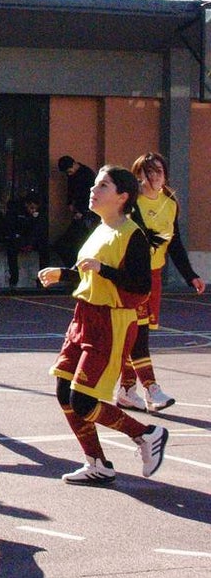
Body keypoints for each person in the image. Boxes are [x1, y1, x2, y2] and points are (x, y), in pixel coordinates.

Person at [38, 165, 168, 485]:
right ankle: (97, 462)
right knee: (64, 390)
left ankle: (147, 434)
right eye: (95, 185)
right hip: (83, 316)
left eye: (103, 186)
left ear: (122, 197)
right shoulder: (100, 228)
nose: (93, 191)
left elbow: (140, 288)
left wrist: (103, 270)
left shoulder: (131, 235)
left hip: (111, 320)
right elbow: (89, 272)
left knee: (83, 400)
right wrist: (63, 274)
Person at [115, 152, 205, 413]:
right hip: (131, 276)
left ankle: (126, 390)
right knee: (137, 334)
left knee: (138, 334)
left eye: (158, 171)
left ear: (165, 174)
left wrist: (190, 274)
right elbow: (141, 238)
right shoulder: (132, 202)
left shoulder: (170, 201)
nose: (153, 176)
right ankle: (152, 388)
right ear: (139, 174)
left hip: (153, 275)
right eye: (148, 171)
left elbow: (173, 242)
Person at [53, 155, 98, 267]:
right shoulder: (73, 175)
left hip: (87, 215)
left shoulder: (87, 175)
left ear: (74, 164)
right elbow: (71, 190)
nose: (69, 174)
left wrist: (82, 212)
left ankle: (76, 270)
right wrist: (69, 203)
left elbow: (90, 196)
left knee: (72, 244)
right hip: (79, 214)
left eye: (69, 171)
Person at [2, 193, 51, 288]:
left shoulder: (38, 214)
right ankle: (13, 279)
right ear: (26, 204)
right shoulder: (15, 211)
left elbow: (40, 230)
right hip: (18, 237)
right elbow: (11, 228)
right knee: (11, 250)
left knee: (45, 249)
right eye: (31, 207)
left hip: (32, 239)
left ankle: (42, 279)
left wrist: (34, 219)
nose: (33, 210)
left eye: (35, 208)